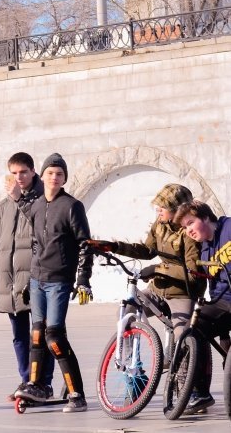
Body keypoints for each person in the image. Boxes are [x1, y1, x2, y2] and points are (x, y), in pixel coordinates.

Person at [87, 185, 204, 367]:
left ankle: (186, 385)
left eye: (162, 208)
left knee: (183, 337)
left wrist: (158, 269)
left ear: (177, 209)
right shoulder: (160, 225)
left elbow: (192, 272)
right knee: (124, 312)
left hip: (182, 292)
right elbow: (148, 250)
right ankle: (133, 365)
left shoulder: (188, 232)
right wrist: (114, 246)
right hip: (158, 289)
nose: (158, 211)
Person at [15, 153, 93, 413]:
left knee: (55, 338)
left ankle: (76, 394)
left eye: (59, 174)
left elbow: (85, 245)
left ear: (64, 178)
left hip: (59, 280)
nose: (55, 177)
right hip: (38, 280)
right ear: (43, 175)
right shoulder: (37, 205)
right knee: (36, 334)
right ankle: (37, 385)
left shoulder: (72, 206)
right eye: (50, 173)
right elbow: (36, 245)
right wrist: (29, 280)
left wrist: (83, 280)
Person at [0, 151, 55, 399]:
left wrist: (19, 200)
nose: (18, 178)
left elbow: (44, 231)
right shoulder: (3, 206)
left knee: (42, 335)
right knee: (19, 337)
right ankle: (27, 380)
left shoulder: (43, 200)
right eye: (13, 173)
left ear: (33, 172)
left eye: (23, 172)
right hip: (10, 281)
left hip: (36, 279)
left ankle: (44, 383)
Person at [175, 200, 231, 414]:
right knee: (194, 329)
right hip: (224, 302)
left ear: (206, 217)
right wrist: (223, 332)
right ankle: (200, 393)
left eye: (191, 223)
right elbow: (215, 290)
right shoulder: (205, 251)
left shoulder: (229, 227)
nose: (188, 230)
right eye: (185, 228)